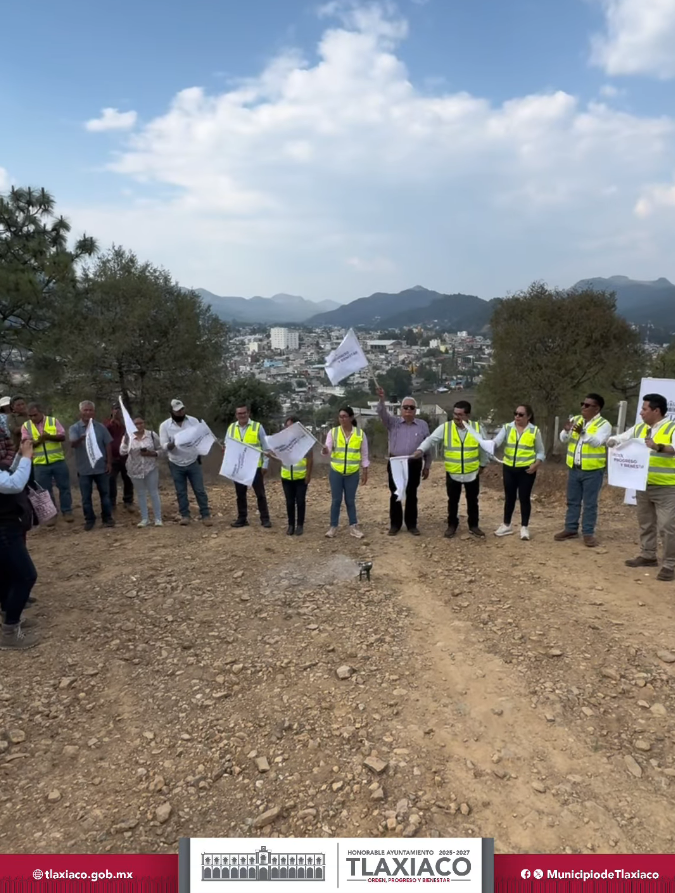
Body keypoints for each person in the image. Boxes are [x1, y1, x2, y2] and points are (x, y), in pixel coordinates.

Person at [608, 393, 675, 581]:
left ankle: (670, 564)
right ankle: (648, 555)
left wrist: (658, 447)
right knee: (646, 523)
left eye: (644, 409)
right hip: (642, 484)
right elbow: (622, 438)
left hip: (667, 487)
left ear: (656, 410)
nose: (641, 413)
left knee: (667, 526)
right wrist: (612, 442)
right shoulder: (639, 429)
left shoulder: (671, 428)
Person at [413, 400, 489, 538]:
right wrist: (420, 450)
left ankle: (474, 525)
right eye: (454, 413)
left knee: (473, 500)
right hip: (453, 472)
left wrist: (483, 464)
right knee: (452, 501)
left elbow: (484, 447)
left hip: (472, 472)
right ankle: (452, 525)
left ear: (468, 415)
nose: (456, 417)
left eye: (460, 414)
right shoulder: (446, 428)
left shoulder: (477, 428)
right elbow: (431, 440)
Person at [554, 393, 611, 548]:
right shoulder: (577, 420)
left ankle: (588, 533)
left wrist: (583, 433)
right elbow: (563, 439)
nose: (583, 407)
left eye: (587, 405)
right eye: (582, 404)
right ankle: (571, 529)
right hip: (574, 468)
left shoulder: (603, 425)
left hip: (592, 470)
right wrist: (566, 431)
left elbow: (598, 442)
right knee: (572, 501)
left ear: (597, 408)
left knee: (590, 503)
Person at [0, 440, 39, 649]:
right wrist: (25, 457)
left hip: (7, 527)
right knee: (26, 576)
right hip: (4, 530)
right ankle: (9, 631)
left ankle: (9, 615)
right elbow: (13, 484)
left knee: (7, 575)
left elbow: (8, 475)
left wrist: (18, 456)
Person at [377, 388, 430, 536]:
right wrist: (382, 399)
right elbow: (381, 413)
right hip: (395, 463)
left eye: (411, 407)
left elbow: (428, 445)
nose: (408, 410)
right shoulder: (392, 423)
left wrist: (427, 465)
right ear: (401, 410)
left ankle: (412, 525)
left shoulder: (422, 425)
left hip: (414, 463)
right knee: (395, 493)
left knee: (411, 494)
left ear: (415, 410)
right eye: (405, 407)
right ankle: (395, 525)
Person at [493, 404, 545, 540]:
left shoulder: (534, 431)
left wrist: (536, 464)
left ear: (528, 416)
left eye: (521, 414)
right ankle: (506, 525)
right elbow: (496, 442)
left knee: (524, 497)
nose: (517, 416)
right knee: (509, 497)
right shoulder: (507, 428)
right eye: (515, 413)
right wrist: (487, 445)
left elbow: (541, 452)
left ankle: (524, 527)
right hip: (509, 468)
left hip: (526, 470)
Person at [159, 399, 212, 526]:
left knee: (199, 489)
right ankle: (185, 515)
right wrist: (172, 444)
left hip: (193, 461)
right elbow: (163, 445)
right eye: (177, 411)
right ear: (171, 411)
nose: (180, 412)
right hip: (176, 462)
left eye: (182, 409)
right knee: (181, 491)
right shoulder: (165, 426)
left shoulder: (193, 421)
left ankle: (205, 515)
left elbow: (201, 436)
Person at [21, 402, 73, 523]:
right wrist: (40, 440)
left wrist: (49, 436)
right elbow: (26, 444)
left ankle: (67, 511)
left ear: (41, 412)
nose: (33, 418)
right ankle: (52, 514)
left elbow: (62, 436)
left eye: (35, 415)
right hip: (40, 464)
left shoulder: (53, 421)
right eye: (30, 416)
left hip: (58, 460)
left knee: (64, 487)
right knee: (45, 491)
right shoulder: (26, 426)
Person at [323, 406, 369, 539]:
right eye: (340, 417)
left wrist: (365, 471)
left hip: (352, 472)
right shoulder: (333, 432)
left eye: (345, 416)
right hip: (336, 471)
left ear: (351, 418)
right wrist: (325, 451)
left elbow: (364, 455)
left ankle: (353, 527)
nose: (342, 419)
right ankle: (333, 527)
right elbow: (328, 450)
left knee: (350, 500)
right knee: (336, 500)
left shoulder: (360, 434)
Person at [69, 401, 115, 531]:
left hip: (101, 467)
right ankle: (89, 520)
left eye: (90, 410)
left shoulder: (100, 427)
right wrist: (81, 439)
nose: (88, 413)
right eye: (85, 410)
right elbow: (73, 444)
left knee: (105, 494)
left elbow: (108, 444)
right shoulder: (75, 428)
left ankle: (107, 518)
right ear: (80, 412)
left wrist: (109, 462)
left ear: (94, 412)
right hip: (84, 469)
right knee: (86, 497)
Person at [227, 404, 272, 528]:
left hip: (255, 467)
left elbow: (266, 448)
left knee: (260, 494)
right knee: (240, 495)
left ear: (248, 413)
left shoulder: (258, 427)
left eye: (244, 413)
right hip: (239, 468)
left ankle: (265, 519)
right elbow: (228, 447)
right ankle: (242, 518)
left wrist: (265, 464)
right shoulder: (231, 428)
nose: (241, 415)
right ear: (236, 415)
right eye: (239, 413)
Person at [120, 417, 163, 528]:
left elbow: (161, 450)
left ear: (144, 423)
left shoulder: (152, 435)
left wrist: (151, 453)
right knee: (141, 493)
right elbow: (122, 452)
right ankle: (145, 518)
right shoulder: (128, 437)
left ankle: (158, 518)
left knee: (154, 493)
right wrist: (125, 441)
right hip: (134, 469)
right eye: (136, 424)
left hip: (150, 467)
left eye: (140, 423)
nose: (138, 426)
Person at [274, 415, 314, 537]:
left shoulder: (304, 440)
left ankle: (300, 525)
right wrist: (271, 456)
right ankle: (291, 525)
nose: (288, 429)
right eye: (287, 427)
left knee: (300, 501)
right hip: (286, 476)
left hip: (300, 477)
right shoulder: (284, 441)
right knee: (289, 502)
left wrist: (308, 474)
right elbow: (279, 457)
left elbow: (310, 458)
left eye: (290, 426)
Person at [104, 403, 134, 512]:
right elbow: (104, 434)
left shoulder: (126, 423)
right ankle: (112, 503)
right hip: (112, 457)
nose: (118, 412)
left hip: (125, 456)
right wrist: (112, 421)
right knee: (111, 480)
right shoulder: (107, 423)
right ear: (112, 411)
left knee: (128, 479)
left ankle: (128, 501)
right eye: (116, 409)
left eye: (120, 410)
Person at [0, 396, 17, 470]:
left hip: (17, 440)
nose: (7, 407)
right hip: (6, 440)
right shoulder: (1, 416)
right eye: (5, 406)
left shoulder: (17, 415)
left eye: (8, 405)